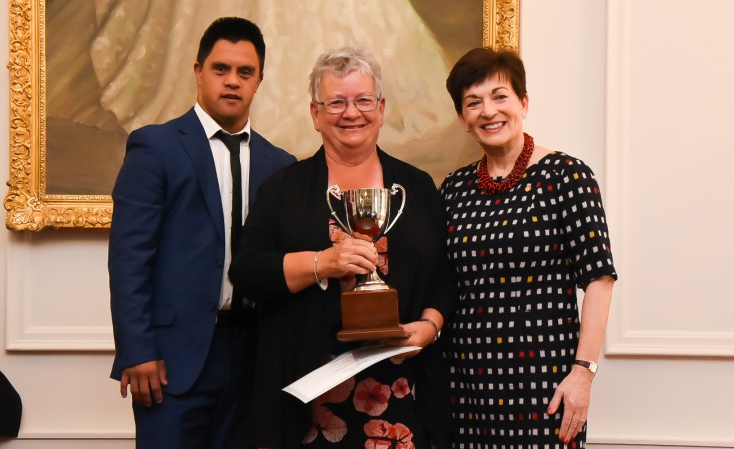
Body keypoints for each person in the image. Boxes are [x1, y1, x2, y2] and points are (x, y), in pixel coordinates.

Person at [228, 47, 457, 449]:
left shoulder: (418, 186)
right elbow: (246, 272)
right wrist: (322, 262)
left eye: (363, 100)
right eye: (335, 102)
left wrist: (430, 327)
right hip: (308, 400)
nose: (352, 113)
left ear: (381, 109)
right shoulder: (284, 190)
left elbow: (445, 275)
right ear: (315, 114)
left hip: (403, 392)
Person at [108, 17, 296, 449]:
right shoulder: (155, 147)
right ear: (198, 71)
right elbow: (129, 257)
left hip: (253, 356)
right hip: (172, 358)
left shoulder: (280, 164)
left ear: (259, 80)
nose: (232, 82)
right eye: (220, 69)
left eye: (245, 73)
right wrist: (136, 349)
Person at [440, 47, 618, 448]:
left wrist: (583, 374)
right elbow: (443, 281)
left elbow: (599, 279)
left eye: (499, 97)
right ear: (462, 119)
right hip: (466, 388)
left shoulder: (567, 175)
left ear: (523, 102)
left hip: (546, 386)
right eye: (473, 102)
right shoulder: (453, 188)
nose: (488, 111)